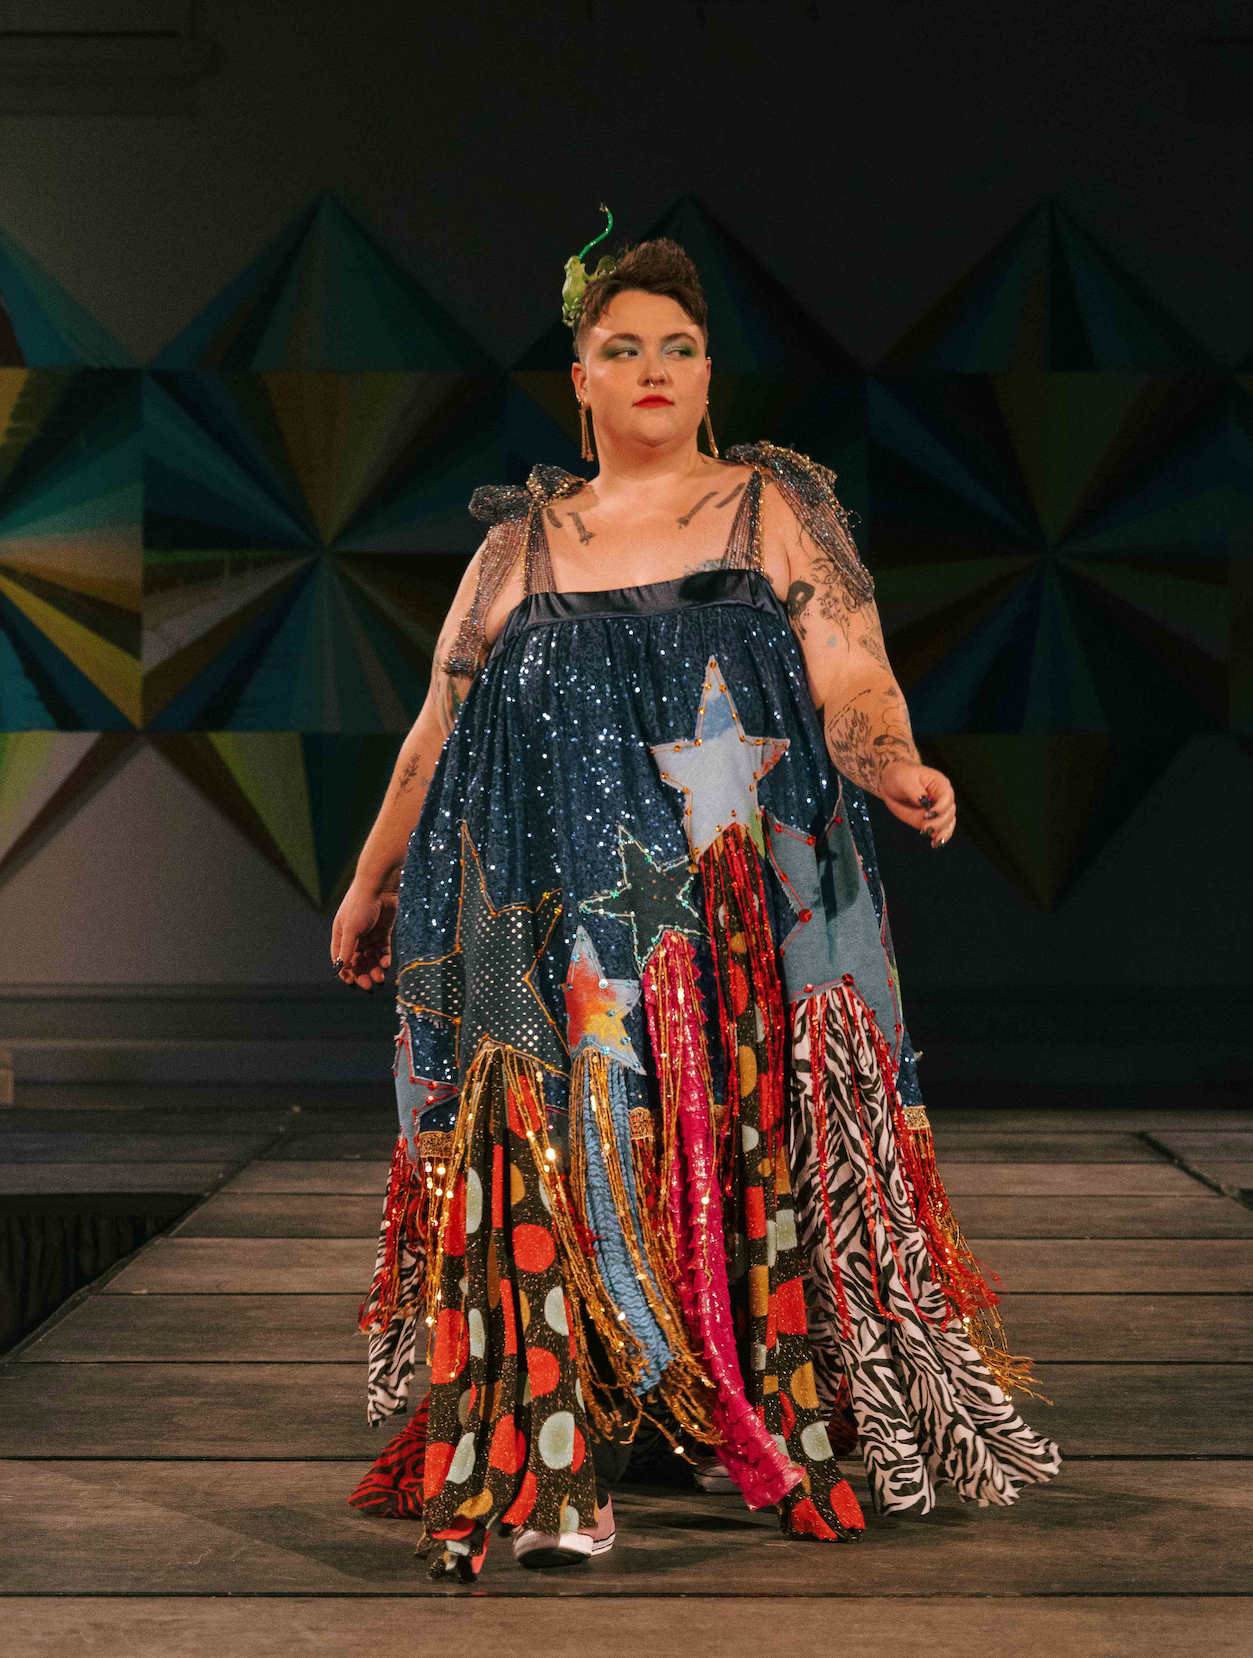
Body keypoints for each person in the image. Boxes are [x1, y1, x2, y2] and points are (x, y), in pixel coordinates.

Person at [332, 219, 1060, 1581]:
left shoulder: (768, 508)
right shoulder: (518, 549)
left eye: (677, 345)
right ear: (582, 382)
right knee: (555, 1155)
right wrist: (372, 881)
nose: (653, 367)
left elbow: (851, 669)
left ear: (709, 371)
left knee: (730, 1141)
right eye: (623, 349)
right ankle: (555, 1469)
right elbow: (434, 735)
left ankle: (735, 1399)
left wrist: (894, 761)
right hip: (550, 914)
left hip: (728, 919)